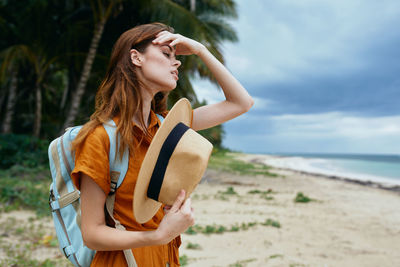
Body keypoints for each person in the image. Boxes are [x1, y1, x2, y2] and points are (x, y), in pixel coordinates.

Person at [70, 22, 253, 266]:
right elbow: (91, 234)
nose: (176, 62)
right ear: (136, 57)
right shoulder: (101, 138)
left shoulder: (168, 127)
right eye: (166, 54)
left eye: (176, 57)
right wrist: (158, 236)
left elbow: (241, 103)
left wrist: (200, 50)